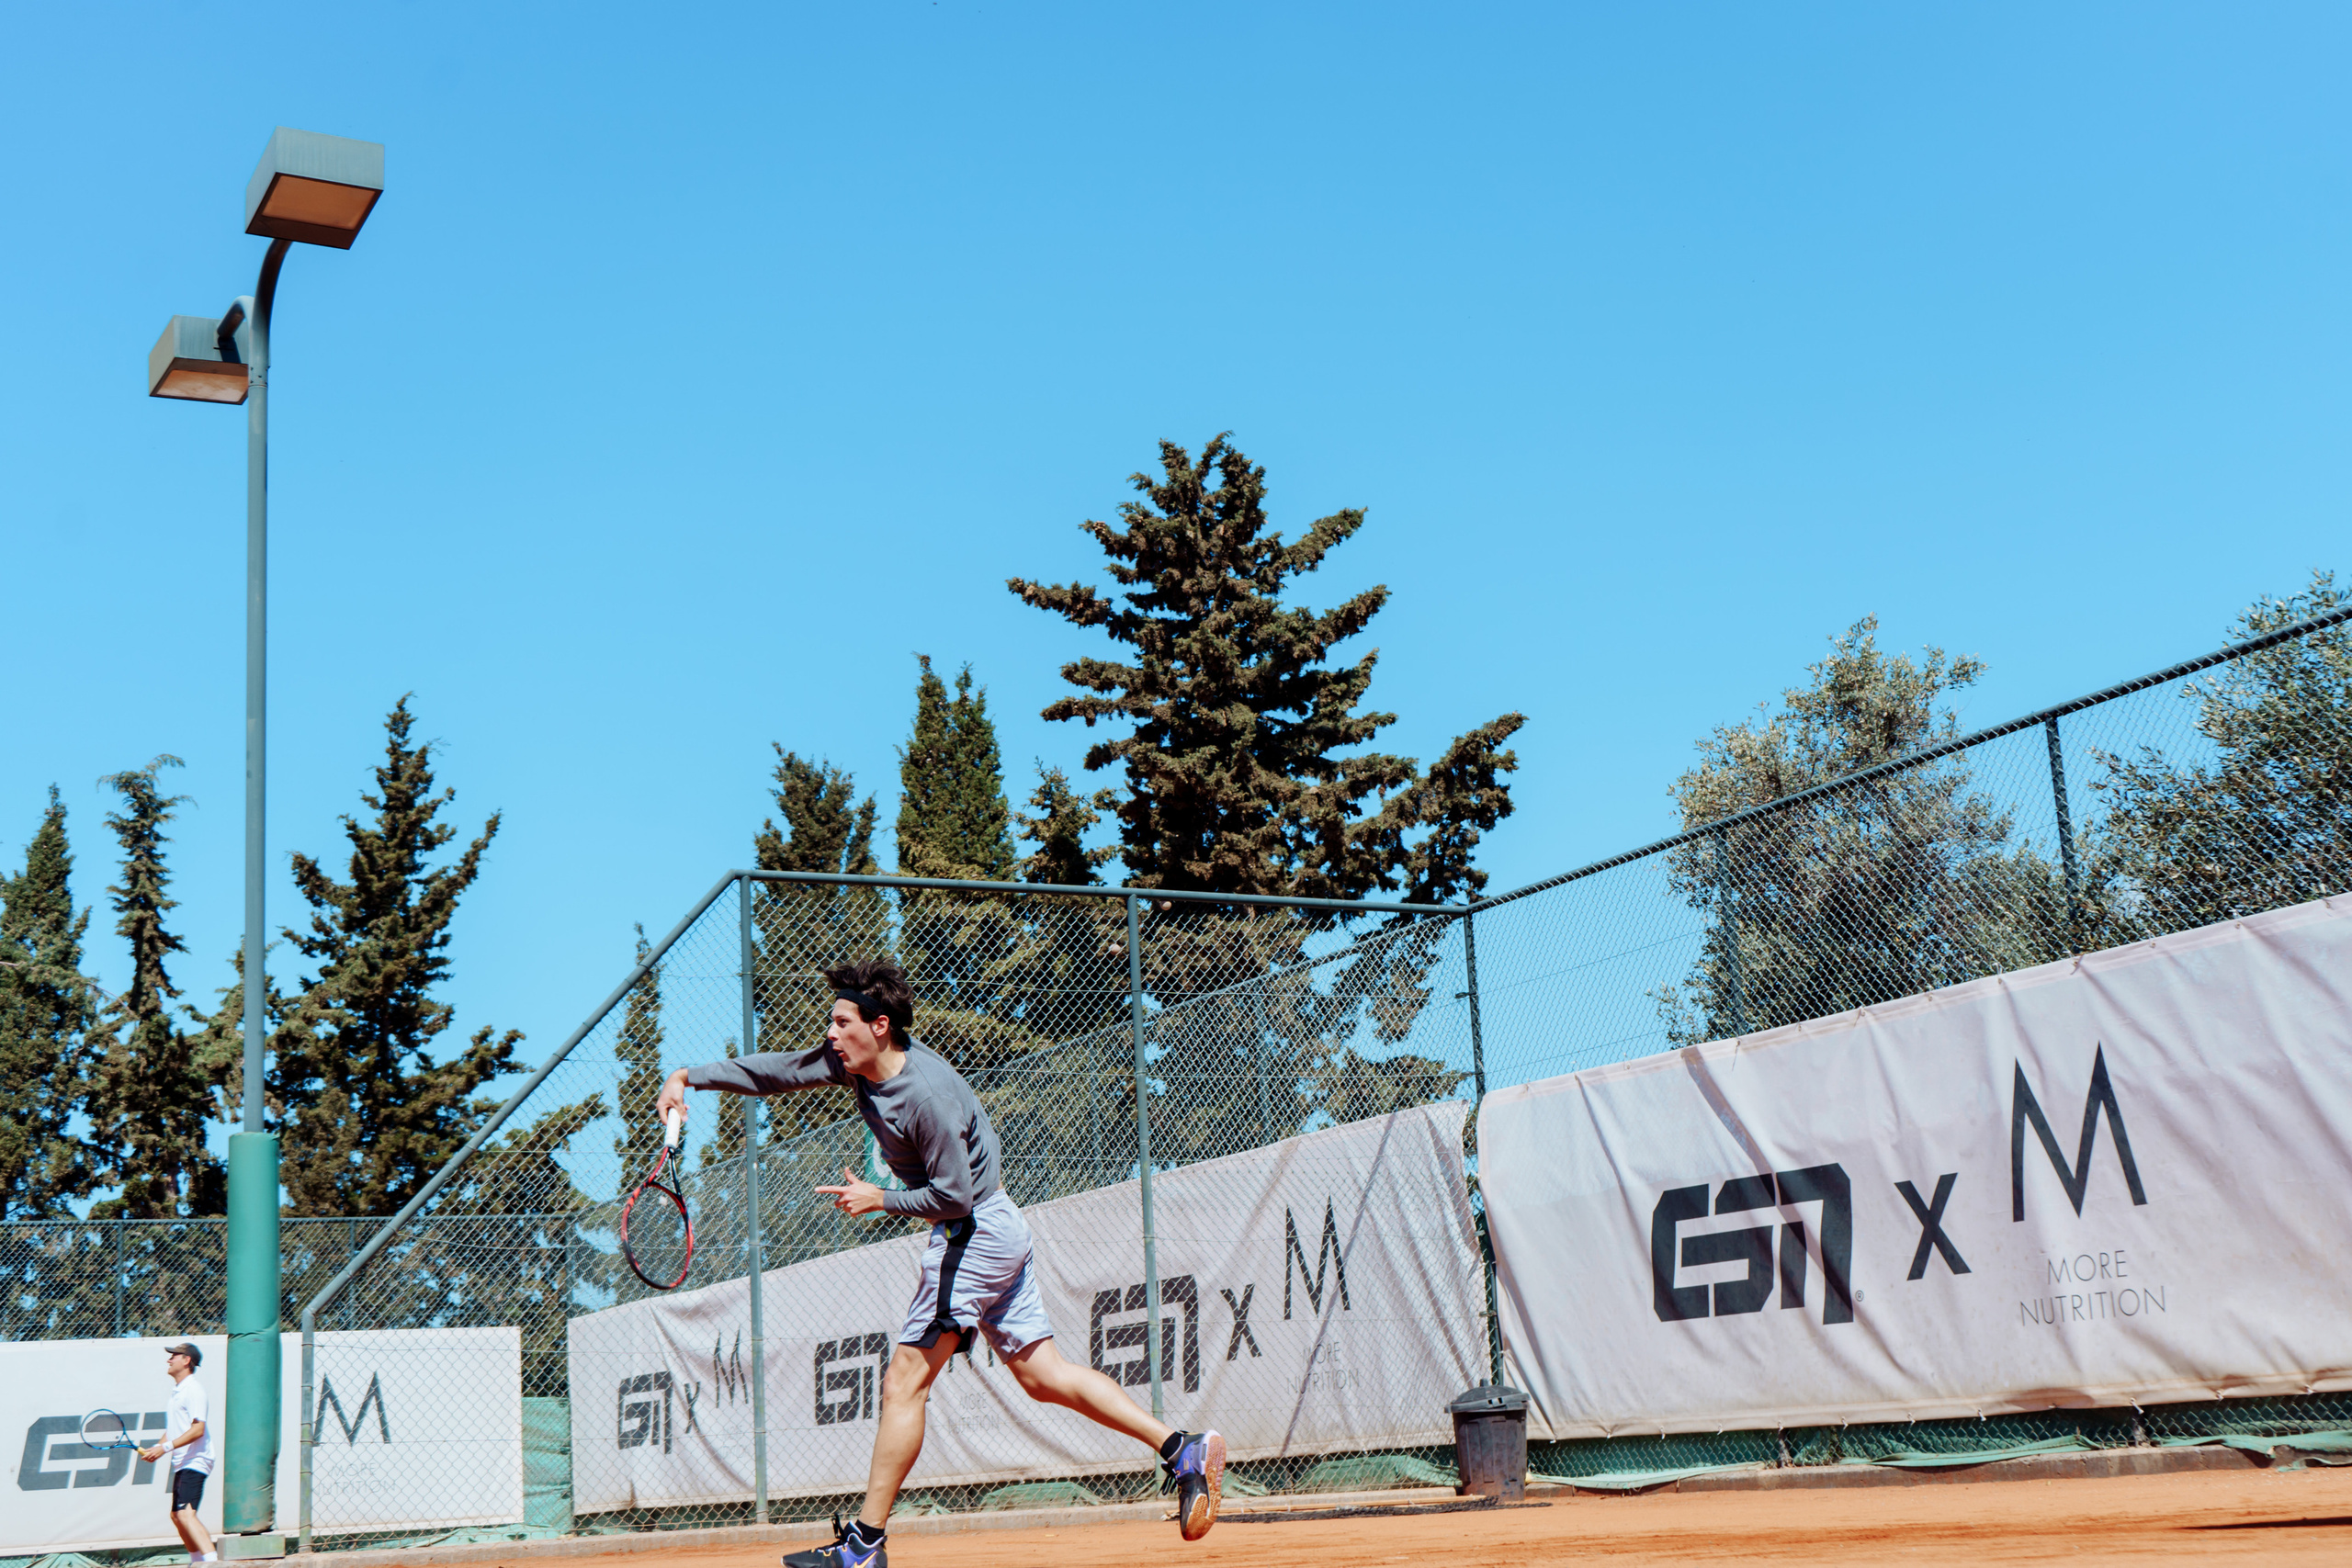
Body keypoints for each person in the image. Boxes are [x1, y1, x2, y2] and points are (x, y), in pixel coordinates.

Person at [656, 957, 1224, 1568]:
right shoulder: (858, 1063)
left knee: (904, 1380)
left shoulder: (924, 1095)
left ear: (878, 1025)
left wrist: (881, 1200)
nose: (830, 1033)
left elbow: (953, 1195)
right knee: (1042, 1374)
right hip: (995, 1227)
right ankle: (1180, 1448)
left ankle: (864, 1546)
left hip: (972, 1232)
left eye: (840, 1021)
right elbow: (779, 1071)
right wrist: (689, 1076)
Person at [140, 1342, 215, 1564]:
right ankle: (197, 1561)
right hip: (184, 1461)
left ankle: (212, 1562)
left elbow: (198, 1429)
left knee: (186, 1514)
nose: (169, 1359)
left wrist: (165, 1448)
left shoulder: (193, 1390)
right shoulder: (178, 1392)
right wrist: (158, 1448)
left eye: (174, 1355)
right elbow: (176, 1429)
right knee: (177, 1516)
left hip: (196, 1459)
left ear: (186, 1360)